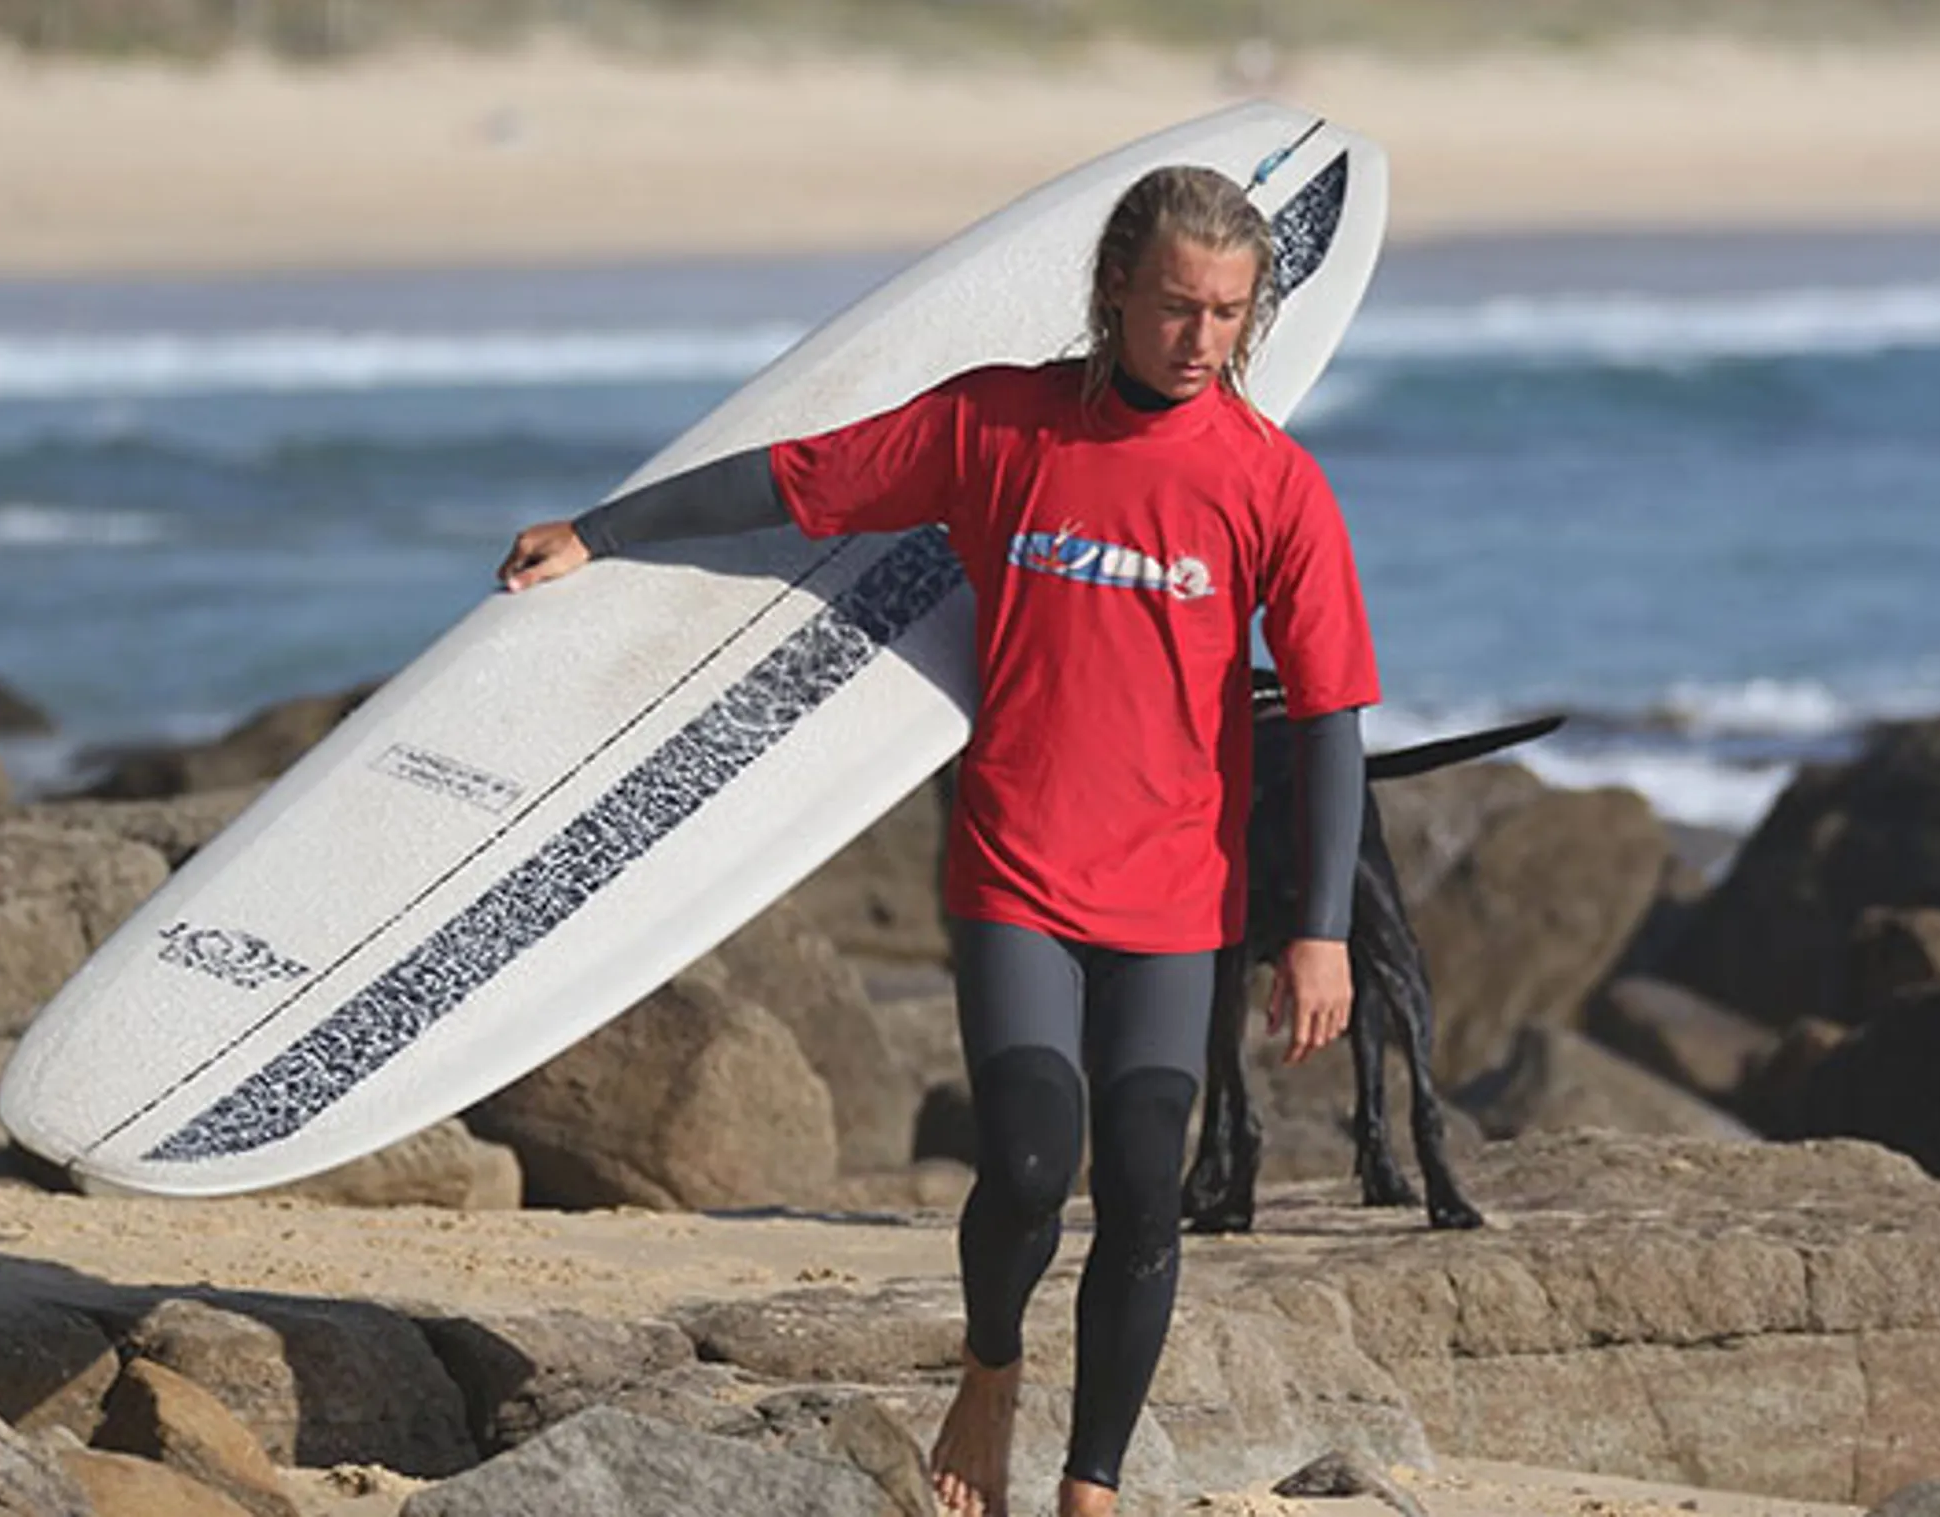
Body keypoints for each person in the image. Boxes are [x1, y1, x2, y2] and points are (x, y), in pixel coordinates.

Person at [498, 164, 1376, 1517]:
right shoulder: (997, 427)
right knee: (1029, 1162)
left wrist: (1317, 928)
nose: (1201, 341)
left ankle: (1089, 1487)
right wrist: (602, 533)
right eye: (1177, 308)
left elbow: (1327, 718)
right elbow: (798, 483)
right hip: (1017, 865)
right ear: (1116, 296)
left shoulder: (1273, 484)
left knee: (1146, 1181)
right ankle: (990, 1362)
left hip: (1177, 892)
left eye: (1228, 314)